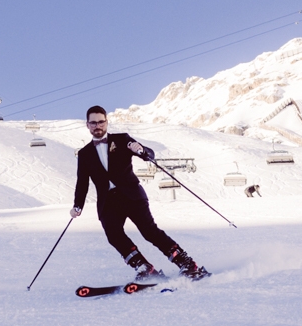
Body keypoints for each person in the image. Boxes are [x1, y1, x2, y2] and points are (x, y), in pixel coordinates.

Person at [71, 106, 208, 280]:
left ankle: (187, 264)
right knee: (113, 235)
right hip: (108, 202)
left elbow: (148, 154)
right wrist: (78, 205)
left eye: (101, 122)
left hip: (132, 196)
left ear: (106, 122)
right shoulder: (84, 154)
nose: (97, 126)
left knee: (149, 231)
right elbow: (82, 182)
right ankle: (144, 268)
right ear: (87, 125)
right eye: (93, 123)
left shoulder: (122, 140)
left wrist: (141, 150)